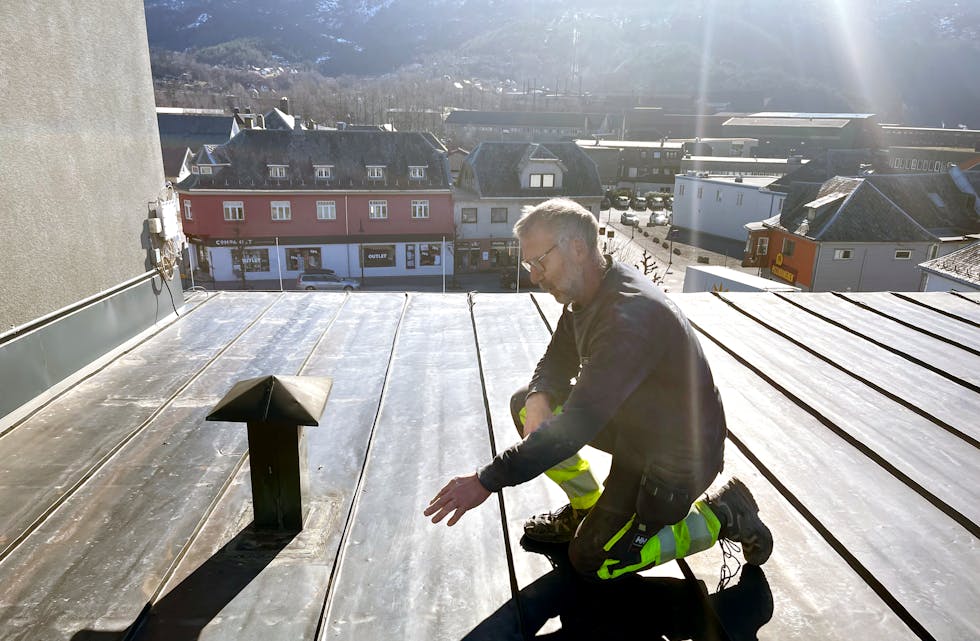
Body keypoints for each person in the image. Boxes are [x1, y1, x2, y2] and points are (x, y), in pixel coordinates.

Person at [425, 198, 772, 581]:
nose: (536, 276)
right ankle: (586, 504)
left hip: (674, 464)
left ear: (576, 247)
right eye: (530, 266)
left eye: (539, 262)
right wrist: (540, 397)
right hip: (636, 433)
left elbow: (572, 430)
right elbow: (557, 361)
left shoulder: (630, 319)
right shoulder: (588, 293)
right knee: (526, 404)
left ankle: (723, 515)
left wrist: (485, 480)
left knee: (593, 561)